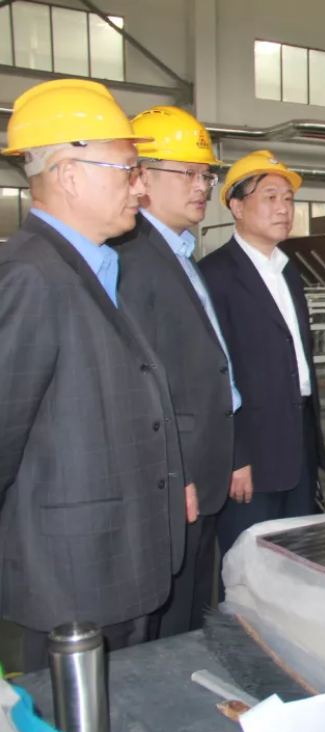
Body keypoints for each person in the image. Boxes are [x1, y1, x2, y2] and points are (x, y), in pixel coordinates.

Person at [0, 80, 186, 671]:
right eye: (129, 170)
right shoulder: (30, 276)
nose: (141, 186)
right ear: (70, 175)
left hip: (118, 560)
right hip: (73, 578)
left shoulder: (93, 267)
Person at [114, 107, 238, 637]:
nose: (202, 186)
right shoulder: (129, 257)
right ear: (142, 176)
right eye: (187, 173)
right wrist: (171, 473)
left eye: (205, 175)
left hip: (201, 465)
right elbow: (136, 382)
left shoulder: (180, 252)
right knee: (167, 623)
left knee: (190, 615)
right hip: (174, 474)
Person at [198, 151, 325, 569]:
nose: (283, 208)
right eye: (270, 197)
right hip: (250, 452)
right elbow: (211, 376)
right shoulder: (214, 275)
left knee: (297, 563)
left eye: (288, 199)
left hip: (298, 441)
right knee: (249, 570)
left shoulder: (289, 271)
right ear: (237, 207)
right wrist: (234, 456)